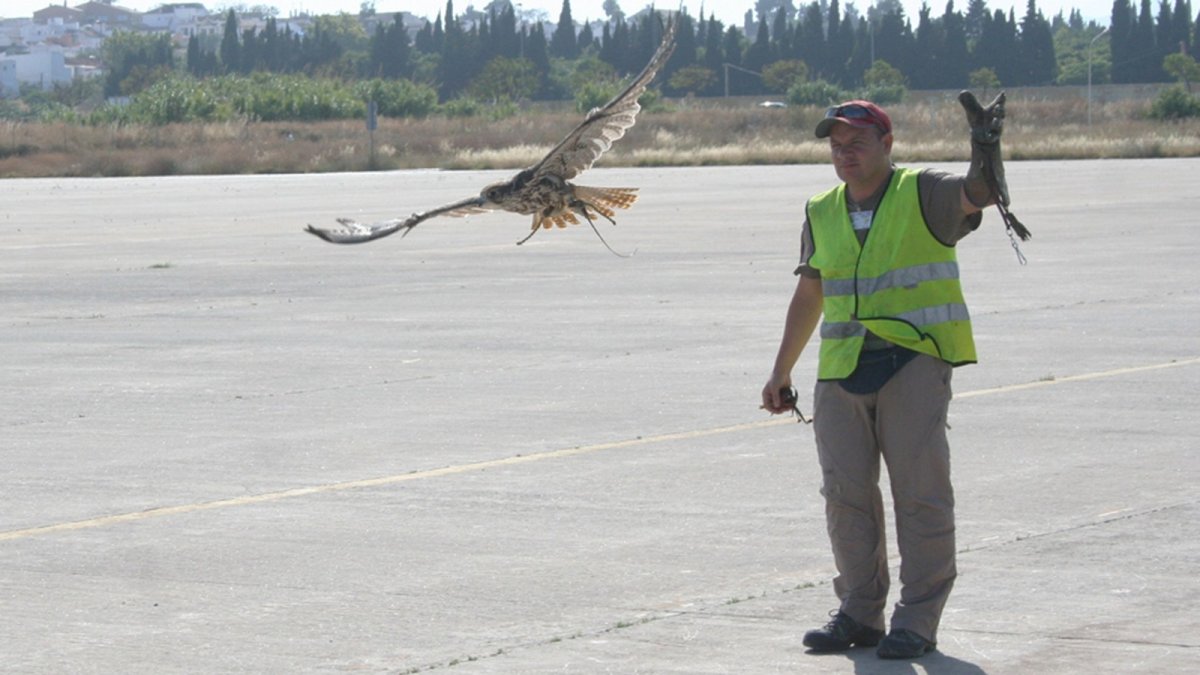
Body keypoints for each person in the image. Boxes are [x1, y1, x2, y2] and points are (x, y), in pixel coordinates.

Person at [761, 96, 1008, 660]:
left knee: (920, 496)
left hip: (913, 359)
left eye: (857, 143)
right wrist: (781, 370)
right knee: (845, 497)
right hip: (842, 369)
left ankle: (917, 620)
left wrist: (985, 146)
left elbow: (981, 193)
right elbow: (811, 290)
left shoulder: (924, 191)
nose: (845, 154)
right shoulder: (822, 208)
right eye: (836, 145)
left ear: (887, 144)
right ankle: (859, 612)